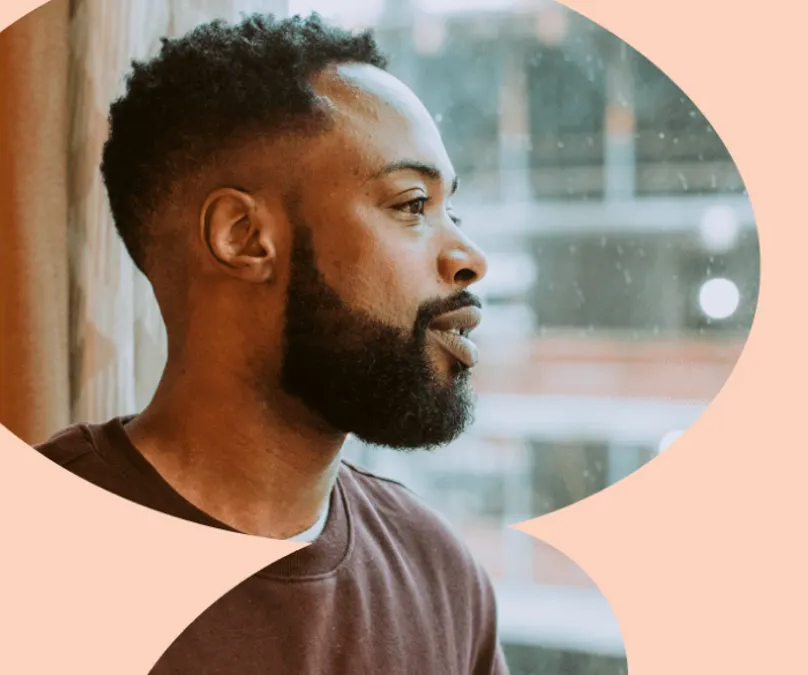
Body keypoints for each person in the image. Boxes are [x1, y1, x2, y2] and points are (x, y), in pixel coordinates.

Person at [37, 12, 508, 675]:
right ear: (243, 236)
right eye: (410, 205)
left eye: (450, 210)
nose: (469, 257)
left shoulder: (440, 575)